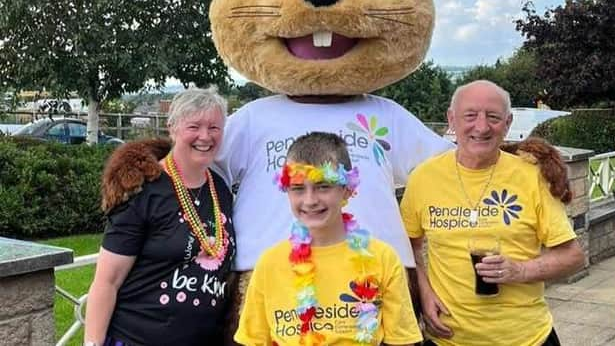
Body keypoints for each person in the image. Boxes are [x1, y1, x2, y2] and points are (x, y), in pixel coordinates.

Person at [400, 80, 586, 346]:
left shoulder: (531, 176)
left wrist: (519, 271)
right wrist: (424, 291)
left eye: (493, 117)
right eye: (470, 115)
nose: (482, 126)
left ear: (508, 123)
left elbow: (573, 256)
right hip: (448, 338)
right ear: (451, 119)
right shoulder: (423, 178)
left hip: (525, 338)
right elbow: (408, 245)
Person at [234, 132, 423, 346]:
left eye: (323, 186)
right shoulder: (269, 264)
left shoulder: (382, 258)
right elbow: (253, 340)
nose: (310, 200)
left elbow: (402, 340)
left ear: (346, 190)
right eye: (298, 188)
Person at [84, 87, 236, 346]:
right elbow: (107, 282)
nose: (205, 136)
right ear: (172, 128)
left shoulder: (221, 188)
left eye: (214, 128)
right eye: (194, 127)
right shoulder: (144, 190)